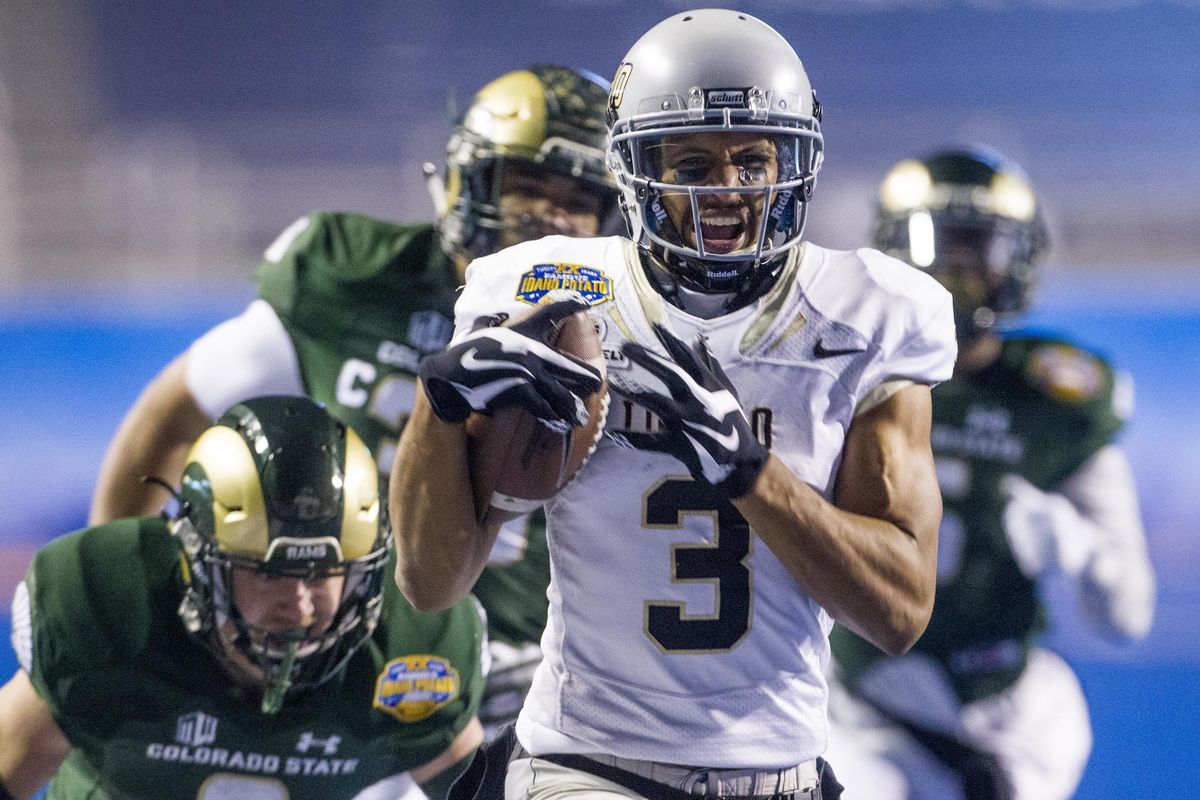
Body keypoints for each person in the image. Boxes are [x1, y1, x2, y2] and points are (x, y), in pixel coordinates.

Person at [389, 10, 959, 800]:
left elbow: (898, 610)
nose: (728, 190)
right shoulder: (550, 293)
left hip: (784, 770)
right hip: (586, 759)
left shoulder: (867, 313)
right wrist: (440, 402)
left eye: (754, 159)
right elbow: (430, 582)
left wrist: (751, 472)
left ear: (795, 159)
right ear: (632, 169)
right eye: (691, 163)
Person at [86, 65, 619, 747]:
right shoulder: (353, 281)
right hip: (346, 657)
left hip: (532, 667)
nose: (549, 216)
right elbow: (170, 413)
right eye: (526, 186)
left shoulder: (614, 322)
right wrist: (119, 580)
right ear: (466, 184)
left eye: (577, 199)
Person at [823, 147, 1156, 800]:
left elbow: (1127, 616)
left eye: (978, 252)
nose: (956, 274)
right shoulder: (838, 374)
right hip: (859, 702)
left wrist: (1078, 546)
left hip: (1004, 707)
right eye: (938, 251)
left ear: (1019, 260)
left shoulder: (1055, 399)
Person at [0, 396, 486, 800]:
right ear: (196, 560)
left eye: (323, 573)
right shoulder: (109, 615)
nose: (298, 605)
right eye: (268, 574)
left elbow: (472, 781)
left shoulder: (412, 650)